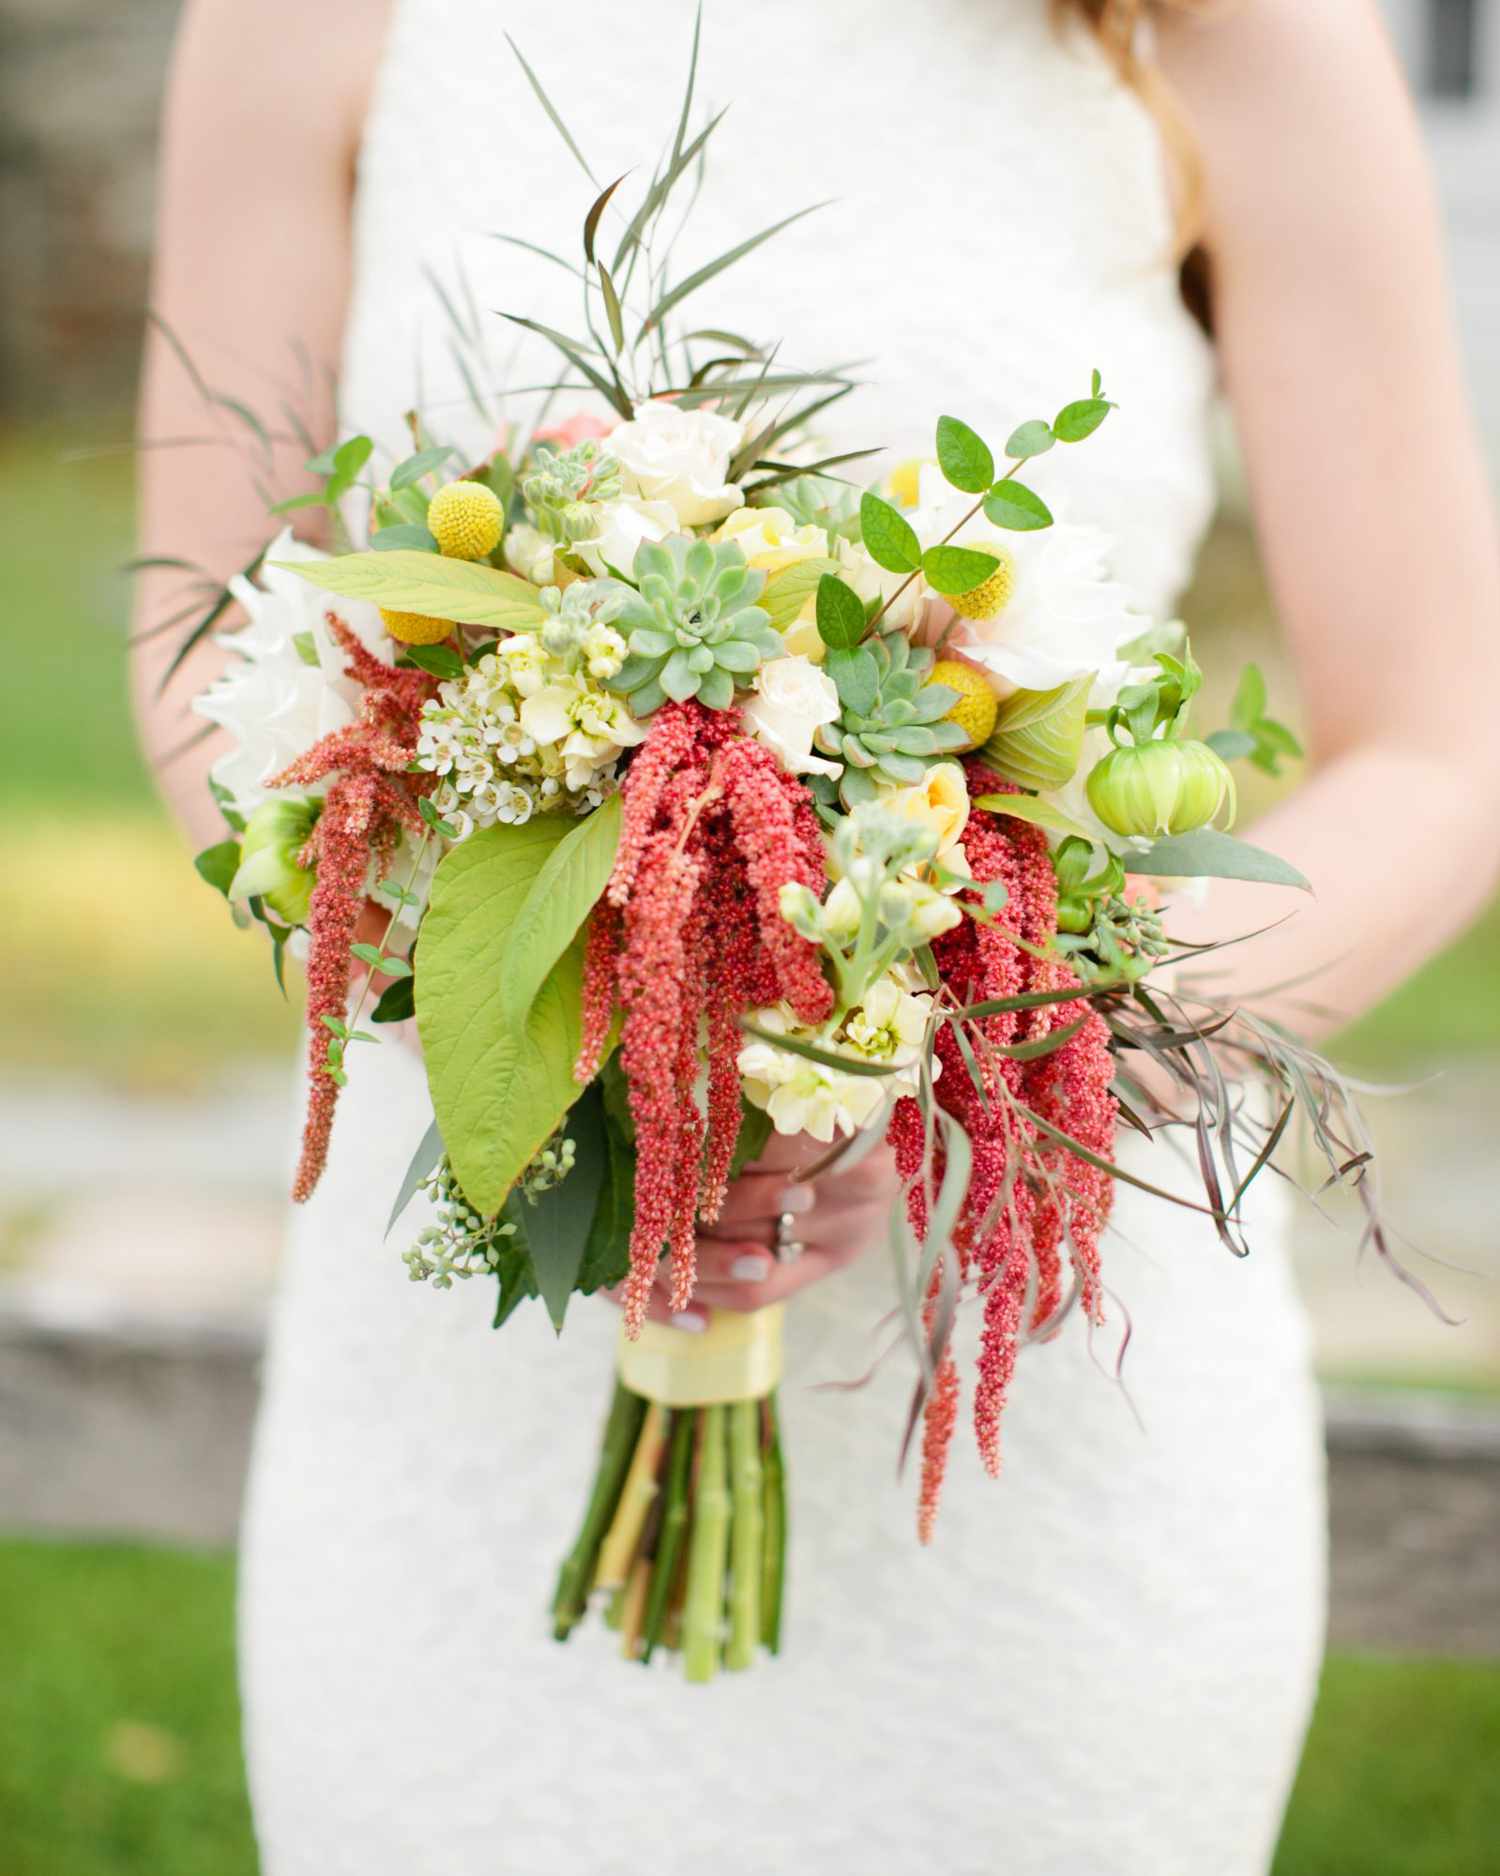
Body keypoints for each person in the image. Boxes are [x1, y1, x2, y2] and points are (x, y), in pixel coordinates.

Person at [130, 3, 1500, 1872]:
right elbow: (203, 650)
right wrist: (565, 1007)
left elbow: (1440, 743)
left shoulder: (1241, 29)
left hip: (1026, 1357)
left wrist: (972, 1024)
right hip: (466, 1326)